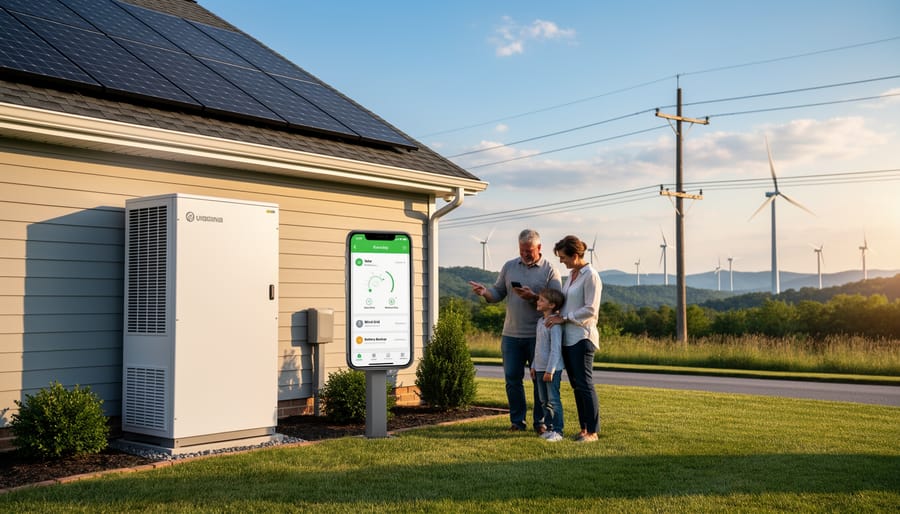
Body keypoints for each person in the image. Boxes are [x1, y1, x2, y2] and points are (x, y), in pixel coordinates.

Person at [470, 229, 562, 433]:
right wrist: (485, 292)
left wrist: (533, 296)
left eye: (529, 250)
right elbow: (498, 293)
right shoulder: (509, 267)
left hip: (539, 336)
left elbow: (556, 301)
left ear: (539, 248)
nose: (525, 254)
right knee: (512, 379)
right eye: (522, 250)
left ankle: (541, 422)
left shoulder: (550, 270)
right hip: (511, 334)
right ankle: (517, 422)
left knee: (539, 381)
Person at [547, 235, 602, 442]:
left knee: (585, 384)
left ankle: (593, 431)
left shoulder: (591, 276)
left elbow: (590, 309)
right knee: (576, 385)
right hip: (568, 338)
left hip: (582, 337)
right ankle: (583, 428)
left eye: (563, 257)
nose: (561, 261)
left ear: (576, 255)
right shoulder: (572, 276)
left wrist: (565, 318)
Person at [532, 287, 566, 442]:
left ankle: (558, 431)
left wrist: (550, 370)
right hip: (539, 368)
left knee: (553, 401)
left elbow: (555, 349)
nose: (537, 302)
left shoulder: (555, 324)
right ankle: (549, 428)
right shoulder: (540, 321)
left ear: (552, 305)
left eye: (541, 300)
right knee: (543, 401)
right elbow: (538, 346)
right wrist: (533, 365)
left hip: (550, 369)